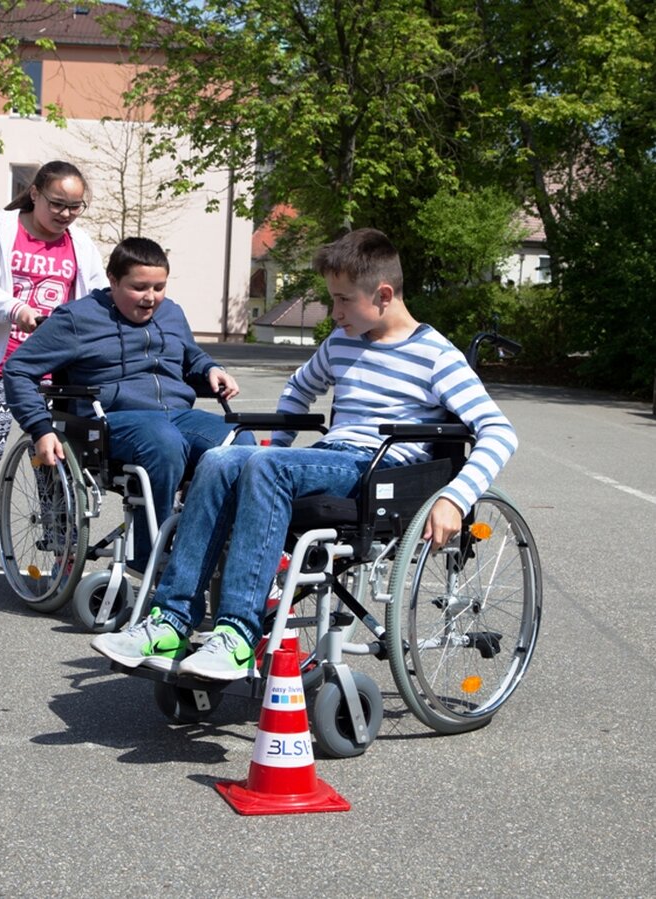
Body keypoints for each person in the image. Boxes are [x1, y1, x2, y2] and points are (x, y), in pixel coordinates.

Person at [91, 228, 519, 680]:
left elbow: (498, 432)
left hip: (381, 469)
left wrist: (454, 498)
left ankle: (236, 635)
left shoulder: (436, 356)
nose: (334, 313)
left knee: (264, 466)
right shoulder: (342, 343)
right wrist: (273, 452)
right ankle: (170, 622)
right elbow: (299, 389)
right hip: (334, 456)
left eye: (343, 300)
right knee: (219, 459)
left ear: (383, 295)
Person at [3, 236, 253, 574]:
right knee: (164, 442)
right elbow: (18, 369)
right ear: (113, 280)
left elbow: (190, 357)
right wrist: (40, 428)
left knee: (239, 440)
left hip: (177, 415)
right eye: (139, 287)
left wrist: (210, 368)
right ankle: (148, 555)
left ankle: (209, 546)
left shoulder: (172, 313)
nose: (151, 298)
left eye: (159, 287)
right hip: (111, 420)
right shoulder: (77, 319)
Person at [0, 161, 109, 579]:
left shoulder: (80, 243)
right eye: (57, 203)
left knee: (54, 457)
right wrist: (17, 310)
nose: (65, 214)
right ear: (35, 194)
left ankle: (62, 550)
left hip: (53, 371)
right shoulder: (2, 228)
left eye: (75, 207)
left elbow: (98, 292)